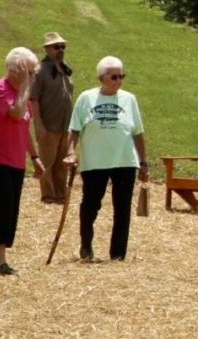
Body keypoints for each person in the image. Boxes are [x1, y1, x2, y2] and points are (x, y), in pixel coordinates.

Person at [63, 56, 149, 262]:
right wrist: (70, 152)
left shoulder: (129, 99)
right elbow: (74, 129)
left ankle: (118, 254)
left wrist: (143, 162)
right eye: (114, 76)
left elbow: (138, 132)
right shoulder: (86, 98)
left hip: (125, 161)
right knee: (90, 206)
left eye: (122, 76)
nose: (119, 80)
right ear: (102, 78)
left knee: (122, 207)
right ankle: (86, 245)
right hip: (95, 162)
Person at [0, 47, 44, 275]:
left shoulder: (23, 94)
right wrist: (25, 86)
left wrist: (34, 157)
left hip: (15, 160)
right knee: (3, 206)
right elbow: (15, 113)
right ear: (17, 71)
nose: (33, 77)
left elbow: (25, 128)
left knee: (12, 209)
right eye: (30, 72)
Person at [28, 31, 74, 205]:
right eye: (56, 46)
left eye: (62, 46)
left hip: (65, 124)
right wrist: (39, 125)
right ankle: (48, 196)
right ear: (47, 49)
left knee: (62, 164)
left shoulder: (65, 69)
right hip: (48, 124)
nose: (60, 49)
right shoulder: (40, 71)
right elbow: (33, 99)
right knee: (47, 163)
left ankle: (61, 195)